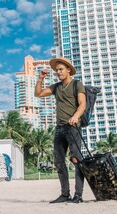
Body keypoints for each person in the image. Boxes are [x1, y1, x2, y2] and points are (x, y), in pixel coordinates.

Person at [35, 57, 86, 204]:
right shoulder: (56, 87)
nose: (58, 72)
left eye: (61, 69)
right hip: (59, 128)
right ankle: (65, 194)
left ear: (68, 70)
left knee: (77, 160)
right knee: (58, 162)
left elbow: (82, 104)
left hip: (73, 128)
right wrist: (40, 78)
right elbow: (38, 94)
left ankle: (78, 195)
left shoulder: (77, 84)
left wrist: (76, 116)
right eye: (57, 70)